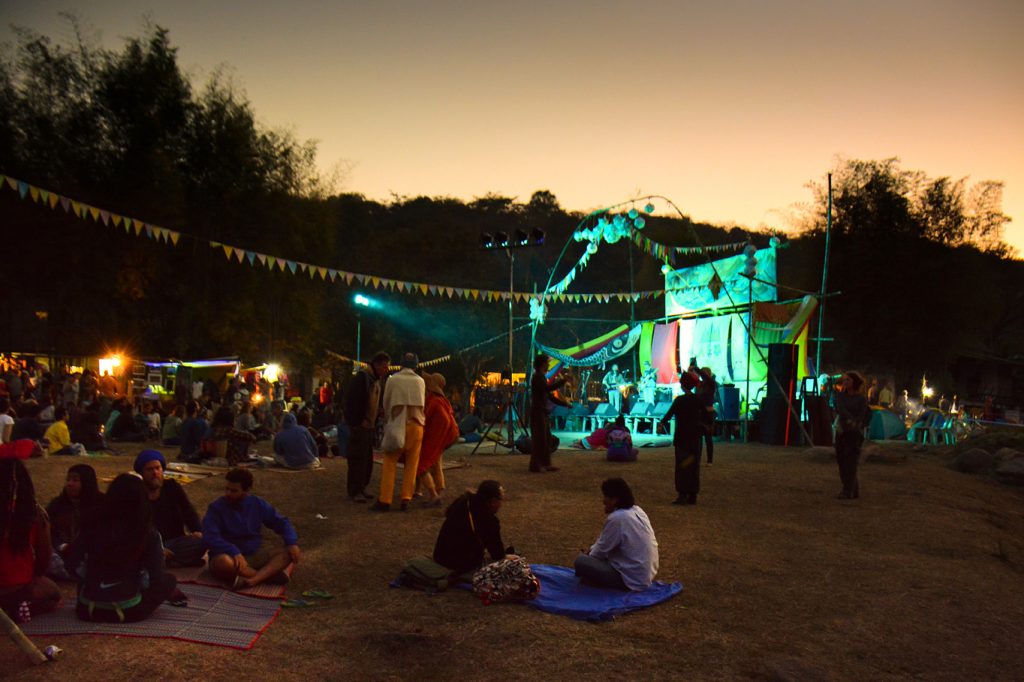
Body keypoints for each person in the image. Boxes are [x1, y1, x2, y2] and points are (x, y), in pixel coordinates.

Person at [65, 474, 181, 622]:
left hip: (86, 610)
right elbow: (156, 578)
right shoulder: (148, 533)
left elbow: (72, 565)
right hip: (128, 611)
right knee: (169, 580)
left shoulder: (92, 525)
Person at [204, 468, 300, 589]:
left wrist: (291, 542)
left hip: (254, 551)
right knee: (222, 563)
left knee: (288, 553)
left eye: (234, 491)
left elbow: (281, 522)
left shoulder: (257, 504)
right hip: (228, 555)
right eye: (227, 489)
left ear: (246, 491)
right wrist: (233, 551)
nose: (228, 493)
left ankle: (253, 579)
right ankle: (265, 576)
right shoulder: (216, 507)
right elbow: (210, 537)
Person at [0, 449, 62, 620]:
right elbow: (44, 560)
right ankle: (17, 607)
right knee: (53, 593)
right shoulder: (34, 514)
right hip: (18, 587)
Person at [574, 478, 659, 591]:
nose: (603, 501)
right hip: (644, 576)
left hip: (630, 580)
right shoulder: (638, 511)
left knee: (580, 561)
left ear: (614, 500)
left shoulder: (618, 518)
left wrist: (588, 555)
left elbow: (600, 551)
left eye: (605, 497)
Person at [372, 353, 425, 512]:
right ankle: (406, 498)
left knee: (390, 461)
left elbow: (386, 403)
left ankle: (385, 499)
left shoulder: (393, 380)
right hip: (417, 426)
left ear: (401, 364)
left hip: (398, 424)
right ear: (415, 365)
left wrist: (389, 419)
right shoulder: (420, 381)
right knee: (411, 464)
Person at [134, 450, 205, 566]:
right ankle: (170, 561)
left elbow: (189, 513)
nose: (155, 473)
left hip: (174, 543)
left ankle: (166, 561)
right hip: (149, 545)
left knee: (202, 541)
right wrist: (157, 549)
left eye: (158, 468)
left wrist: (198, 531)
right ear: (141, 473)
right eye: (150, 469)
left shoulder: (172, 487)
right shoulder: (137, 493)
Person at [433, 480, 511, 580]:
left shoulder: (464, 501)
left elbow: (448, 513)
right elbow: (496, 553)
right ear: (493, 501)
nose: (501, 504)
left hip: (440, 555)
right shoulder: (489, 520)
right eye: (501, 499)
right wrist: (505, 557)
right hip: (458, 564)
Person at [46, 463, 104, 578]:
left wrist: (78, 548)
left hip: (87, 554)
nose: (70, 484)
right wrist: (62, 546)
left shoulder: (101, 504)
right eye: (68, 480)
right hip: (60, 552)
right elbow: (47, 530)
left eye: (75, 480)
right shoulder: (57, 505)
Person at [660, 371, 705, 505]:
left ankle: (682, 494)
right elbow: (707, 416)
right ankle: (693, 495)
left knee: (682, 466)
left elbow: (669, 415)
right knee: (694, 466)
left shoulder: (679, 400)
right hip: (695, 437)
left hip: (682, 438)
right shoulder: (698, 400)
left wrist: (661, 424)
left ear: (682, 385)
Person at [417, 373, 460, 505]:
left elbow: (426, 418)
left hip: (436, 437)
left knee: (421, 466)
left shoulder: (434, 401)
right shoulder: (443, 400)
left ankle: (433, 494)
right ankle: (436, 490)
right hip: (445, 436)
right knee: (435, 464)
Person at [834, 371, 872, 500]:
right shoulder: (840, 396)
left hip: (854, 432)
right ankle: (851, 488)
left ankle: (848, 490)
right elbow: (841, 410)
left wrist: (856, 422)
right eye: (844, 380)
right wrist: (851, 419)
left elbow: (863, 413)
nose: (845, 382)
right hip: (842, 430)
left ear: (854, 382)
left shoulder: (861, 399)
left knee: (851, 461)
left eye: (848, 380)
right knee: (842, 461)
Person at [529, 354, 568, 473]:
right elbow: (547, 390)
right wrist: (562, 381)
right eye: (547, 362)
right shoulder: (537, 377)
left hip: (542, 411)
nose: (548, 365)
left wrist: (564, 404)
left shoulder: (542, 377)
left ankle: (546, 463)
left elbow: (549, 396)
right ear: (542, 364)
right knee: (540, 439)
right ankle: (536, 465)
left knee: (546, 438)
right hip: (538, 411)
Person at [697, 367, 718, 465]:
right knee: (698, 438)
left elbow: (704, 376)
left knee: (708, 438)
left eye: (704, 373)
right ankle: (698, 458)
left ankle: (710, 460)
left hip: (709, 413)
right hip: (700, 413)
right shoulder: (700, 385)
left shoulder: (712, 383)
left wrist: (696, 369)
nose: (702, 375)